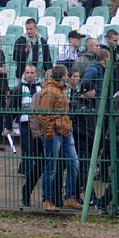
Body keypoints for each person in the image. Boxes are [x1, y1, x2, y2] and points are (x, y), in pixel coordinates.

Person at [38, 65, 81, 211]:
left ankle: (69, 196)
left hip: (65, 130)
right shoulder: (50, 91)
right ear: (63, 76)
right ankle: (47, 199)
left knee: (74, 163)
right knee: (51, 168)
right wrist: (50, 133)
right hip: (55, 132)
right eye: (66, 74)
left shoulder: (62, 89)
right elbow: (43, 115)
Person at [7, 64, 44, 207]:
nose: (29, 75)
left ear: (36, 74)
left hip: (39, 123)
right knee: (27, 150)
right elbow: (13, 107)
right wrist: (8, 125)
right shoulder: (19, 89)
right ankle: (28, 172)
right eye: (27, 72)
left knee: (36, 150)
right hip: (25, 123)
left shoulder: (40, 87)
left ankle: (27, 169)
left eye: (32, 72)